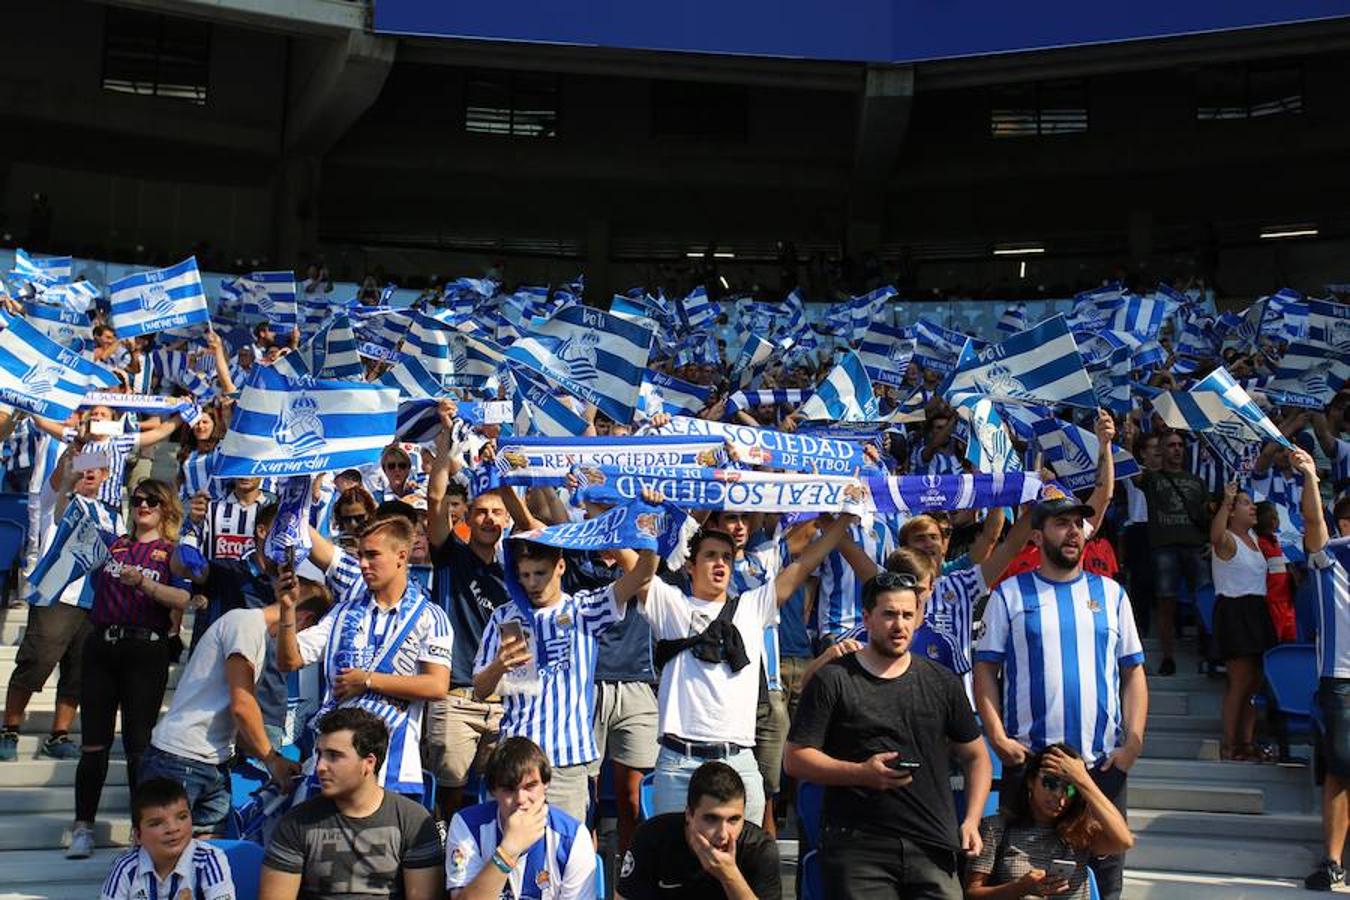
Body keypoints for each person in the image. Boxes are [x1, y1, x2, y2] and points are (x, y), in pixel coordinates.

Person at [974, 493, 1149, 900]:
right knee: (1025, 880)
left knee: (1106, 882)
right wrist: (997, 737)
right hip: (1032, 766)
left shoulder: (1112, 594)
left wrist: (1132, 745)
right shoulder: (1009, 594)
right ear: (1036, 536)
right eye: (1060, 523)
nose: (1073, 532)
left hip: (1099, 765)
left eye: (1077, 524)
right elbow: (985, 669)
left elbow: (1133, 672)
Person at [785, 572, 991, 900]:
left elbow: (976, 755)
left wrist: (971, 820)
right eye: (890, 614)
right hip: (858, 847)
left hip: (933, 844)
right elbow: (795, 759)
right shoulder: (833, 679)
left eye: (908, 615)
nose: (900, 625)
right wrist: (860, 773)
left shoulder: (942, 681)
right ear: (867, 617)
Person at [643, 516, 852, 825]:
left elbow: (804, 564)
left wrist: (844, 519)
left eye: (726, 557)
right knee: (674, 854)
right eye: (710, 556)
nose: (720, 563)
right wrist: (639, 515)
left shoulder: (753, 606)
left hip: (738, 761)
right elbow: (634, 567)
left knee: (745, 851)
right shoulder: (670, 604)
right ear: (690, 567)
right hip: (678, 764)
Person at [472, 526, 659, 821]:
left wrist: (648, 528)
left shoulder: (584, 610)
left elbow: (642, 574)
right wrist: (499, 665)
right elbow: (480, 690)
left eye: (540, 573)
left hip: (567, 762)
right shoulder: (504, 616)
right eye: (524, 575)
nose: (532, 583)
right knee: (513, 844)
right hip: (515, 758)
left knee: (567, 844)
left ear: (560, 567)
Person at [136, 574, 330, 833]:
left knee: (210, 853)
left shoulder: (254, 633)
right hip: (180, 759)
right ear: (305, 620)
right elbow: (242, 704)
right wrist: (271, 759)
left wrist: (272, 757)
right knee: (163, 850)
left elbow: (234, 714)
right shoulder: (246, 625)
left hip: (214, 764)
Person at [277, 512, 452, 798]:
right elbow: (290, 660)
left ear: (401, 556)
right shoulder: (342, 612)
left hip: (393, 767)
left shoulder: (430, 617)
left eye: (372, 555)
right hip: (332, 764)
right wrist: (286, 609)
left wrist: (368, 680)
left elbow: (437, 685)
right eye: (360, 555)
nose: (362, 564)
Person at [69, 479, 200, 860]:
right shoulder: (114, 544)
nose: (143, 505)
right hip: (102, 645)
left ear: (166, 508)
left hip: (145, 648)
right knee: (93, 743)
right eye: (138, 499)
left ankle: (139, 830)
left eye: (152, 500)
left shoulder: (171, 552)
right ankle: (83, 826)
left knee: (138, 746)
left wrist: (144, 583)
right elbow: (68, 525)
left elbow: (184, 597)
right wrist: (70, 481)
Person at [260, 708, 445, 900]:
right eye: (319, 754)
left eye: (334, 756)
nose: (320, 766)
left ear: (369, 763)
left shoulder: (413, 821)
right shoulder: (296, 822)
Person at [1, 447, 110, 762]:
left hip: (92, 602)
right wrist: (69, 465)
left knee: (78, 673)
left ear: (105, 476)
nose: (88, 473)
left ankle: (59, 735)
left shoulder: (111, 515)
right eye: (82, 468)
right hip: (54, 597)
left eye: (94, 468)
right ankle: (9, 729)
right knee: (35, 662)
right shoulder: (55, 501)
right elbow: (59, 483)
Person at [425, 421, 512, 813]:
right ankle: (444, 852)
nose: (489, 519)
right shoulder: (449, 554)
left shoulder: (518, 569)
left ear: (506, 520)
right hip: (455, 696)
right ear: (467, 518)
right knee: (449, 800)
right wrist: (446, 442)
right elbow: (435, 497)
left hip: (505, 702)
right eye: (481, 512)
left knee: (501, 801)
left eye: (497, 513)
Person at [966, 745, 1134, 900]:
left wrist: (1083, 780)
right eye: (1050, 783)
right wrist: (1020, 888)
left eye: (1069, 788)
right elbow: (972, 894)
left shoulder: (1081, 832)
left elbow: (1124, 841)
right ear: (1031, 781)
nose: (1059, 795)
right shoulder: (998, 828)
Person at [445, 736, 597, 899]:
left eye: (530, 786)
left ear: (545, 784)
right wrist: (508, 851)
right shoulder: (467, 825)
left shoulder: (574, 837)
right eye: (509, 789)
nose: (521, 799)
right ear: (493, 791)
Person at [1294, 448, 1350, 891]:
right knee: (1341, 768)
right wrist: (1311, 476)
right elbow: (1313, 522)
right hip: (1342, 681)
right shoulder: (1328, 558)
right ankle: (1333, 861)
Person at [617, 761, 781, 900]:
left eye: (733, 820)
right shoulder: (652, 838)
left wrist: (729, 876)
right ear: (689, 814)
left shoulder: (759, 849)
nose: (723, 834)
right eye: (711, 819)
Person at [1209, 482, 1277, 761]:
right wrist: (1226, 501)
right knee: (1239, 681)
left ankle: (1247, 742)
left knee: (1255, 683)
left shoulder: (1255, 539)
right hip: (1235, 610)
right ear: (1232, 511)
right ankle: (1229, 743)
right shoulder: (1227, 539)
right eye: (1245, 503)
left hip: (1257, 610)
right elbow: (1215, 535)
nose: (1253, 508)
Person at [1135, 430, 1211, 675]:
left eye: (1180, 445)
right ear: (1161, 450)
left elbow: (1206, 515)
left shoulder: (1197, 481)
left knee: (1203, 599)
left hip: (1195, 545)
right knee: (1165, 601)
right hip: (1164, 547)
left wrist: (1212, 541)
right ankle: (1168, 657)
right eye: (1171, 445)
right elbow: (1130, 469)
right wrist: (1127, 438)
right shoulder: (1151, 478)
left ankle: (1207, 651)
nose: (1177, 449)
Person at [99, 778, 236, 900]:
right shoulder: (125, 867)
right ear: (138, 835)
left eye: (182, 817)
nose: (172, 828)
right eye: (156, 823)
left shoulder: (209, 860)